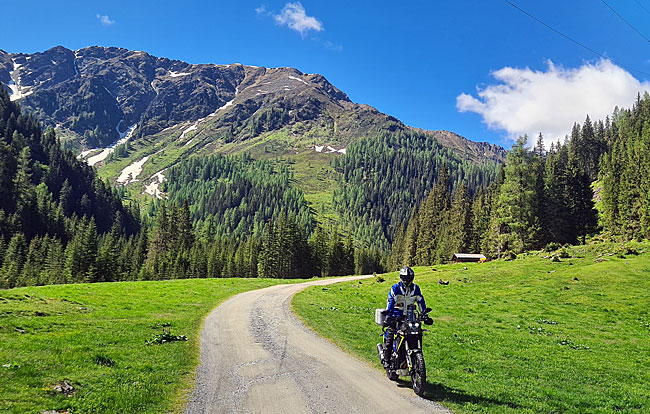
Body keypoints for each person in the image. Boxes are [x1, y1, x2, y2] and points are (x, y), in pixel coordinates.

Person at [382, 266, 428, 368]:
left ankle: (416, 360)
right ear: (401, 277)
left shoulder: (416, 289)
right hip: (396, 317)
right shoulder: (396, 288)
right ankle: (386, 360)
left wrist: (424, 314)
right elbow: (390, 300)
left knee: (417, 334)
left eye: (409, 277)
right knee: (391, 335)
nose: (407, 280)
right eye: (405, 277)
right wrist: (389, 313)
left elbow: (421, 302)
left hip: (410, 318)